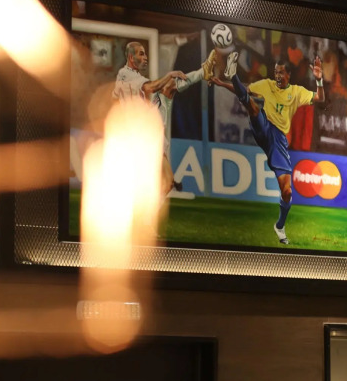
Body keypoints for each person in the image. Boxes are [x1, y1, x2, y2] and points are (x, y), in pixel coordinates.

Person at [210, 50, 325, 245]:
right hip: (264, 126)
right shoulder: (266, 85)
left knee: (287, 192)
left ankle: (279, 226)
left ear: (288, 74)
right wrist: (223, 84)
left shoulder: (297, 92)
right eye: (276, 72)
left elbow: (320, 99)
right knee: (253, 107)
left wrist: (319, 80)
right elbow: (244, 91)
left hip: (278, 141)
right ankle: (233, 74)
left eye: (281, 73)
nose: (278, 76)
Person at [113, 41, 215, 195]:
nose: (145, 57)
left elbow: (114, 97)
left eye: (145, 53)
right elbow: (151, 87)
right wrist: (169, 74)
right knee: (164, 182)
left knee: (169, 87)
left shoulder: (128, 77)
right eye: (141, 54)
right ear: (131, 57)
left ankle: (203, 72)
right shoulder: (126, 73)